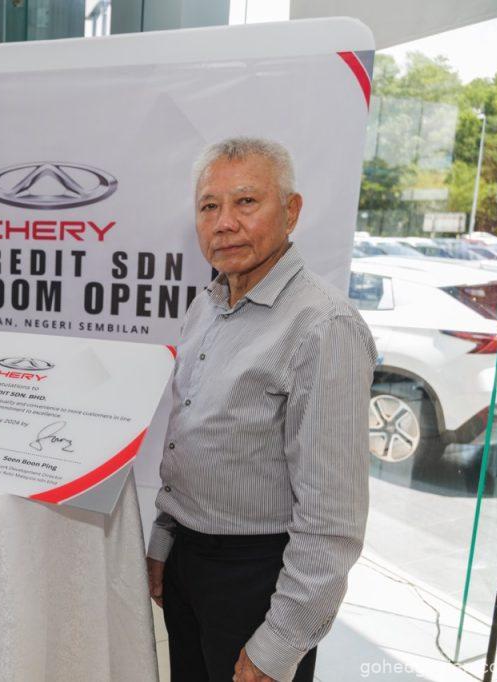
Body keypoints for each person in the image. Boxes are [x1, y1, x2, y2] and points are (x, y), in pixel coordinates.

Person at [146, 138, 376, 682]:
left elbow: (332, 520)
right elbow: (188, 438)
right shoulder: (207, 305)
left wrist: (282, 641)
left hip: (260, 583)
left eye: (246, 201)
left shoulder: (324, 326)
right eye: (209, 206)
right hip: (188, 564)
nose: (224, 222)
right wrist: (165, 542)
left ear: (291, 211)